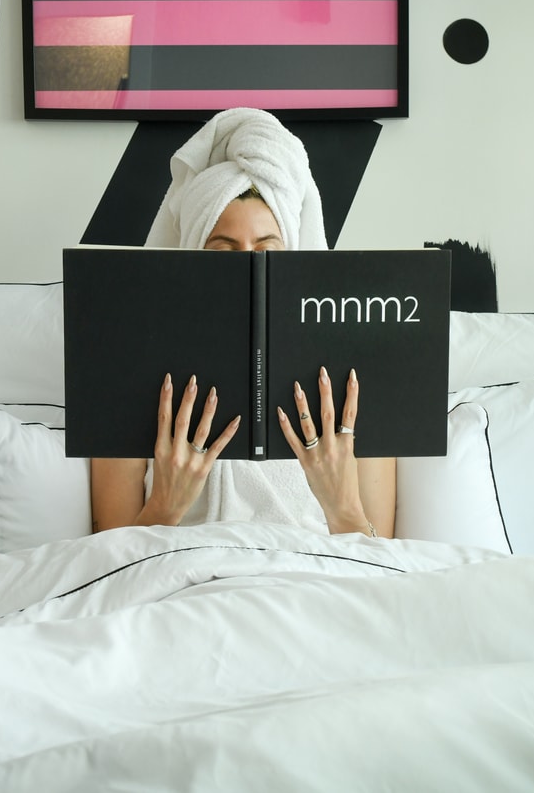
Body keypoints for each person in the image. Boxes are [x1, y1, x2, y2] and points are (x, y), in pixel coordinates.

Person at [89, 108, 396, 538]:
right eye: (223, 252)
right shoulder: (124, 377)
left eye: (267, 251)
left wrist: (341, 507)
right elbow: (108, 561)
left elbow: (382, 563)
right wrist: (165, 505)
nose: (249, 269)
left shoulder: (351, 384)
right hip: (182, 577)